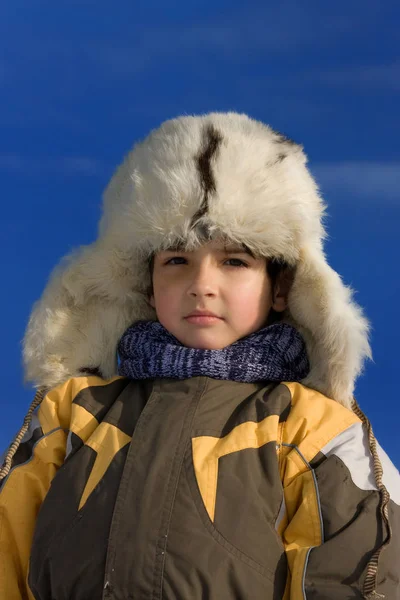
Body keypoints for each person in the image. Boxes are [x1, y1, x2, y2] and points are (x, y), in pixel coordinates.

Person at [0, 112, 399, 600]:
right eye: (176, 260)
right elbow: (7, 551)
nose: (201, 285)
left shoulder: (312, 429)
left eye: (235, 261)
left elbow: (355, 575)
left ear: (282, 286)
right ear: (147, 286)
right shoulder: (74, 413)